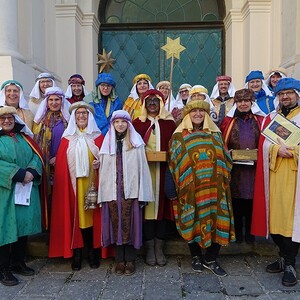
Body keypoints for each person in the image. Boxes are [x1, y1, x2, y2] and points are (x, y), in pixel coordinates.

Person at [168, 100, 235, 277]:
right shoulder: (179, 137)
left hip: (216, 190)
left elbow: (225, 158)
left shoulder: (215, 135)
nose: (198, 114)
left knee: (218, 218)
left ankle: (211, 258)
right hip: (191, 190)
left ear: (206, 114)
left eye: (201, 111)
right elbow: (173, 162)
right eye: (194, 111)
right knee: (193, 219)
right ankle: (196, 256)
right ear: (187, 115)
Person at [49, 101, 111, 270]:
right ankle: (76, 252)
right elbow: (62, 165)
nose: (81, 116)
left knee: (92, 216)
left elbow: (108, 160)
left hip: (92, 184)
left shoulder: (98, 138)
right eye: (78, 114)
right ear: (74, 118)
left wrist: (101, 162)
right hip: (72, 186)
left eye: (84, 113)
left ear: (89, 117)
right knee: (75, 216)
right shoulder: (66, 139)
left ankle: (92, 251)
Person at [252, 77, 300, 287]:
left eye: (289, 93)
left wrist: (294, 152)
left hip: (295, 178)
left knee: (291, 222)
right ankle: (282, 257)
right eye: (281, 94)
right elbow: (263, 146)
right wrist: (275, 149)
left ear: (297, 95)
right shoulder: (271, 118)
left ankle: (290, 264)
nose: (285, 97)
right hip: (273, 174)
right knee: (276, 220)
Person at [98, 110, 154, 276]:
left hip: (131, 192)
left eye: (123, 122)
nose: (120, 125)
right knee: (116, 225)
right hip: (113, 192)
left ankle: (130, 260)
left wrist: (143, 193)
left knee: (130, 225)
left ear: (128, 124)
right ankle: (119, 260)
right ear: (113, 125)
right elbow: (104, 170)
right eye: (117, 122)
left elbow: (143, 170)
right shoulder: (107, 144)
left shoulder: (136, 144)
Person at [0, 106, 45, 286]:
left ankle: (18, 262)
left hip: (25, 189)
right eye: (3, 119)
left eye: (10, 118)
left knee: (22, 226)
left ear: (15, 120)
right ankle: (3, 268)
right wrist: (18, 173)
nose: (7, 121)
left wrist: (32, 171)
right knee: (4, 228)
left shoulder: (25, 138)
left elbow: (37, 156)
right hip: (5, 192)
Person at [133, 89, 176, 267]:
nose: (152, 103)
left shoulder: (169, 123)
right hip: (146, 172)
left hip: (165, 172)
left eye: (155, 100)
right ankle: (150, 249)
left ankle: (160, 248)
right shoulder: (137, 124)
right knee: (148, 209)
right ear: (144, 104)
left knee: (163, 209)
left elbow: (175, 145)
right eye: (148, 100)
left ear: (161, 102)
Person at [220, 89, 265, 244]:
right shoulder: (228, 121)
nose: (243, 104)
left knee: (252, 201)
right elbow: (221, 142)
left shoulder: (260, 120)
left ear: (252, 102)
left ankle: (251, 234)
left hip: (254, 170)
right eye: (240, 101)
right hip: (235, 170)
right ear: (236, 103)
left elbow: (266, 141)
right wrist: (228, 152)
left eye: (246, 101)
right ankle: (237, 233)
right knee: (236, 201)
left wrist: (261, 152)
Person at [32, 87, 70, 211]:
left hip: (64, 163)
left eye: (57, 100)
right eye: (51, 100)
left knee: (61, 195)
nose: (54, 103)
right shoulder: (40, 121)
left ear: (62, 101)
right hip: (44, 164)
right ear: (47, 102)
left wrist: (59, 157)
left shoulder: (68, 121)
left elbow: (71, 141)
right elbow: (36, 141)